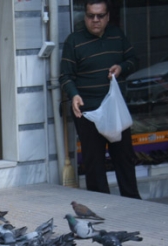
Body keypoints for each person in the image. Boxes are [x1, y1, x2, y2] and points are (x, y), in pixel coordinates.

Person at [59, 0, 141, 199]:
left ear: (107, 16)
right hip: (88, 111)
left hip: (114, 108)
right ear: (85, 16)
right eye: (90, 16)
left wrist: (121, 68)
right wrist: (74, 95)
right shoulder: (74, 41)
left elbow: (134, 61)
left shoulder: (117, 35)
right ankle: (100, 204)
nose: (95, 20)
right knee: (94, 162)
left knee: (124, 157)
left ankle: (133, 202)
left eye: (100, 15)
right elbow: (65, 76)